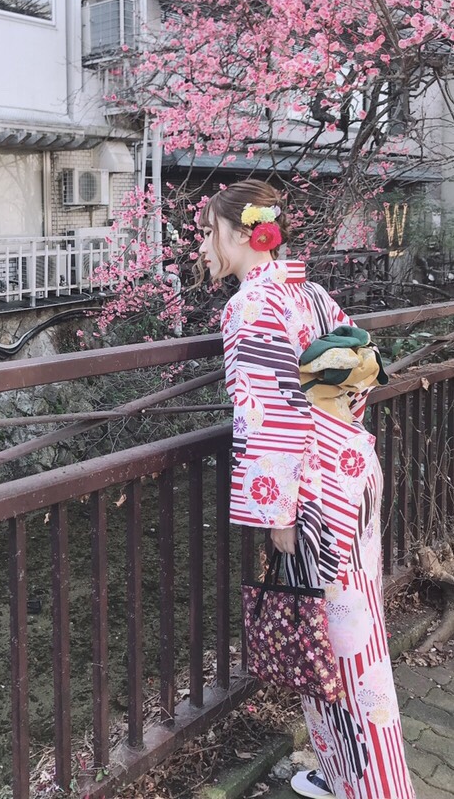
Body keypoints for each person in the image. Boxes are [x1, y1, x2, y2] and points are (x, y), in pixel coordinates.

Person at [198, 180, 415, 799]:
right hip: (351, 466)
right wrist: (339, 431)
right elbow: (361, 369)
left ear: (243, 233)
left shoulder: (250, 308)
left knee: (347, 646)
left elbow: (268, 416)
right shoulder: (310, 292)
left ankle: (379, 787)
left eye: (209, 233)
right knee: (343, 629)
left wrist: (278, 510)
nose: (204, 247)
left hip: (315, 490)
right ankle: (343, 772)